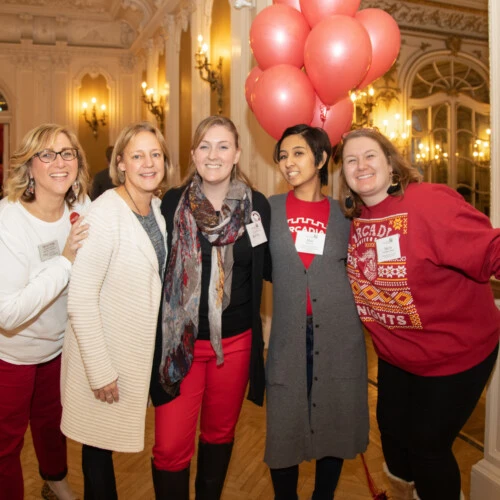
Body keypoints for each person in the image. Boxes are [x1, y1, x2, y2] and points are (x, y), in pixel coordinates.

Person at [339, 127, 500, 500]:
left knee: (428, 448)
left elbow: (489, 249)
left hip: (455, 355)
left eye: (369, 156)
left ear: (392, 165)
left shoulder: (430, 202)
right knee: (393, 436)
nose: (360, 165)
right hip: (397, 356)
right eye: (351, 160)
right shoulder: (354, 220)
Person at [149, 115, 270, 499]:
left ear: (236, 154)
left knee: (219, 435)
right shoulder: (171, 203)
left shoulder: (257, 208)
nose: (213, 155)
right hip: (179, 344)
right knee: (169, 448)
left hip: (234, 345)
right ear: (192, 155)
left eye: (222, 146)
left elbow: (271, 270)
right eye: (204, 146)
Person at [60, 121, 170, 499]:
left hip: (135, 353)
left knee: (103, 446)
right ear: (121, 163)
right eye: (137, 155)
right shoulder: (105, 213)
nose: (148, 163)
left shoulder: (156, 208)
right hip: (104, 355)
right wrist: (100, 369)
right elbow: (81, 298)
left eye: (155, 154)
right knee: (97, 450)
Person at [264, 124, 369, 500]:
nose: (287, 163)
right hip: (290, 335)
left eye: (297, 154)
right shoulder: (268, 210)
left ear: (321, 159)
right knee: (284, 422)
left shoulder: (345, 214)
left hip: (340, 336)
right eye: (282, 155)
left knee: (334, 418)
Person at [0, 123, 90, 500]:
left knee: (53, 424)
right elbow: (8, 314)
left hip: (58, 348)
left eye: (67, 153)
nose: (59, 162)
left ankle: (55, 481)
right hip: (12, 355)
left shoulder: (81, 208)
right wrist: (66, 261)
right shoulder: (9, 219)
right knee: (6, 441)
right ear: (29, 166)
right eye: (47, 154)